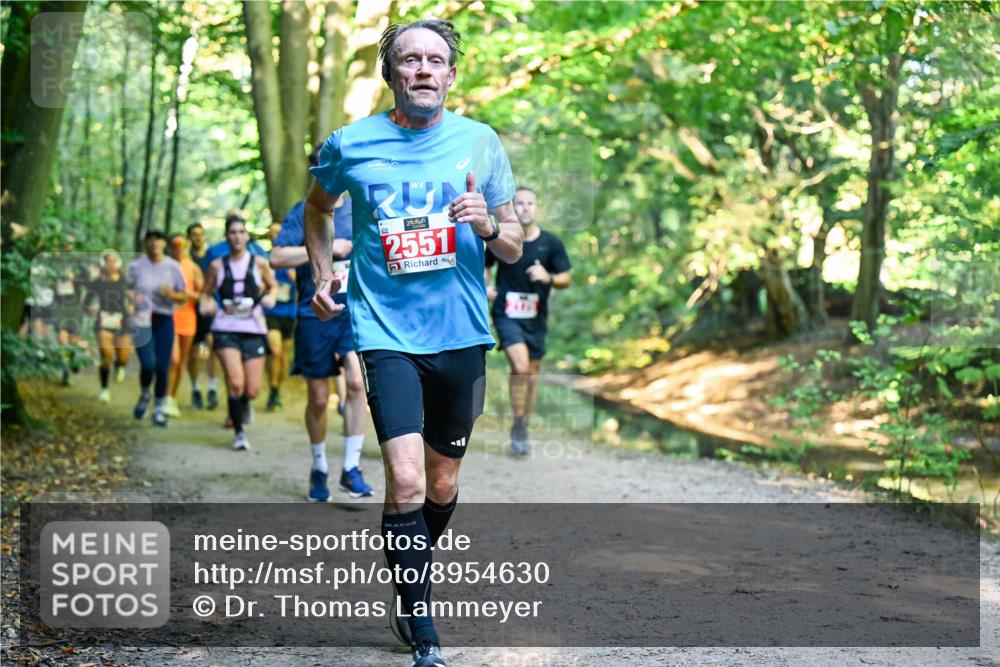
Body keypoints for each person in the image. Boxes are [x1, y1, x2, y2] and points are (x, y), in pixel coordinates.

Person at [304, 19, 522, 667]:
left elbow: (511, 243)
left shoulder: (480, 143)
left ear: (451, 75)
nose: (423, 69)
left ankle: (409, 560)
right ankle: (419, 610)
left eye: (435, 60)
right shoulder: (350, 143)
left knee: (441, 481)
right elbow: (317, 208)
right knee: (401, 478)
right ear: (391, 73)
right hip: (383, 331)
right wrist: (322, 275)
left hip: (461, 333)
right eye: (410, 60)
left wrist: (488, 225)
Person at [271, 148, 373, 502]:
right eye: (320, 166)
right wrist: (327, 250)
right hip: (314, 312)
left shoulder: (363, 208)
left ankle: (351, 468)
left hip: (354, 311)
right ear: (314, 170)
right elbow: (276, 257)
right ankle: (319, 467)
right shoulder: (303, 212)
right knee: (317, 398)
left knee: (358, 384)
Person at [485, 186, 571, 456]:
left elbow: (565, 278)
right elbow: (485, 265)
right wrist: (485, 287)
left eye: (529, 203)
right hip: (506, 314)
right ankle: (519, 426)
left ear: (537, 207)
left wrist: (549, 277)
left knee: (531, 375)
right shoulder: (502, 237)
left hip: (536, 317)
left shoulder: (551, 243)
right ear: (512, 207)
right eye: (519, 203)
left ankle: (521, 425)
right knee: (520, 368)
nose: (524, 208)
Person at [199, 215, 276, 451]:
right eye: (232, 232)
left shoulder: (260, 263)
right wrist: (207, 303)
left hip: (253, 328)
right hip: (226, 329)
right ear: (226, 236)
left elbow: (272, 286)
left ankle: (244, 405)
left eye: (241, 232)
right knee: (235, 382)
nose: (237, 236)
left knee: (251, 390)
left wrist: (270, 298)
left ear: (247, 236)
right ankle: (239, 433)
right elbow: (206, 293)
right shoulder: (216, 266)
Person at [126, 230, 187, 427]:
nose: (154, 243)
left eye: (158, 239)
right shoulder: (136, 266)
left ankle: (159, 408)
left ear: (164, 244)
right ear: (145, 243)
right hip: (142, 319)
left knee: (162, 366)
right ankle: (145, 394)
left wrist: (171, 294)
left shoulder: (173, 267)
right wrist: (130, 297)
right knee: (148, 363)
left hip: (164, 319)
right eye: (150, 240)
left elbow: (184, 296)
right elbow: (123, 288)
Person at [84, 250, 133, 402]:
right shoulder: (97, 283)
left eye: (113, 261)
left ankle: (120, 365)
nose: (110, 264)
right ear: (103, 264)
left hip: (122, 320)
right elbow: (86, 303)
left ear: (118, 264)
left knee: (123, 357)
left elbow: (136, 297)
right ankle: (104, 389)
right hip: (103, 320)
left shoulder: (125, 281)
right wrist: (90, 309)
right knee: (106, 355)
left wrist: (132, 305)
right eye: (107, 261)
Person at [165, 234, 205, 417]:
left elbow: (202, 295)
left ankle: (172, 398)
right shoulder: (164, 265)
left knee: (181, 361)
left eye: (181, 245)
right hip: (167, 318)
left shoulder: (193, 268)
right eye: (174, 245)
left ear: (187, 246)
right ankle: (165, 397)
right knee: (172, 359)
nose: (178, 248)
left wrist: (185, 294)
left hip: (187, 319)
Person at [263, 220, 296, 411]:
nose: (275, 235)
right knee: (274, 351)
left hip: (289, 312)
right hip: (271, 311)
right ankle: (273, 389)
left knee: (282, 356)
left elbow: (302, 284)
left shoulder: (293, 257)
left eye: (278, 232)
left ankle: (277, 389)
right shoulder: (265, 258)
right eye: (272, 232)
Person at [187, 222, 219, 410]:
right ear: (189, 237)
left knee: (213, 345)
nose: (197, 237)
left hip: (211, 308)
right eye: (194, 234)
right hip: (191, 310)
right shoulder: (186, 259)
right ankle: (195, 388)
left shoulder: (212, 257)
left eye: (200, 234)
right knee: (193, 350)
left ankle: (213, 387)